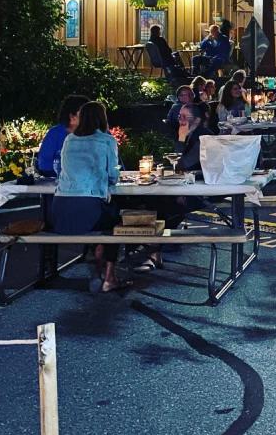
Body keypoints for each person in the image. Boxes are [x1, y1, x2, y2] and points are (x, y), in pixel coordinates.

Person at [51, 101, 126, 293]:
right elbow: (113, 175)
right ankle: (109, 277)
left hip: (59, 213)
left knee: (103, 216)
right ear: (103, 118)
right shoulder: (106, 140)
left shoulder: (69, 139)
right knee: (115, 223)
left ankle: (97, 257)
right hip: (88, 212)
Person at [135, 102, 211, 273]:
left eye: (185, 117)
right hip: (190, 186)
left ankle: (153, 249)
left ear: (197, 120)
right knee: (154, 200)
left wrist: (181, 139)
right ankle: (152, 245)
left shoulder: (202, 138)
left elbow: (183, 163)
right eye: (179, 116)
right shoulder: (193, 134)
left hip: (203, 190)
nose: (181, 120)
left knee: (166, 204)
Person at [37, 94, 90, 176]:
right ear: (72, 116)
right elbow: (44, 164)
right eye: (85, 113)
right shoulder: (55, 134)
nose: (90, 116)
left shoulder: (100, 134)